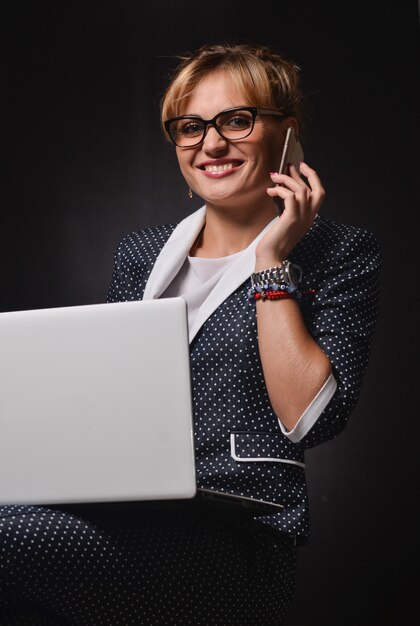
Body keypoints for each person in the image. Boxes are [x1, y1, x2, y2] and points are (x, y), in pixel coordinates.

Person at [0, 43, 381, 625]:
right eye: (191, 126)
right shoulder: (141, 254)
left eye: (237, 120)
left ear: (287, 135)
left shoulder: (340, 254)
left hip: (236, 540)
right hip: (123, 518)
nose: (211, 143)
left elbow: (311, 418)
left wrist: (271, 260)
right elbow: (109, 408)